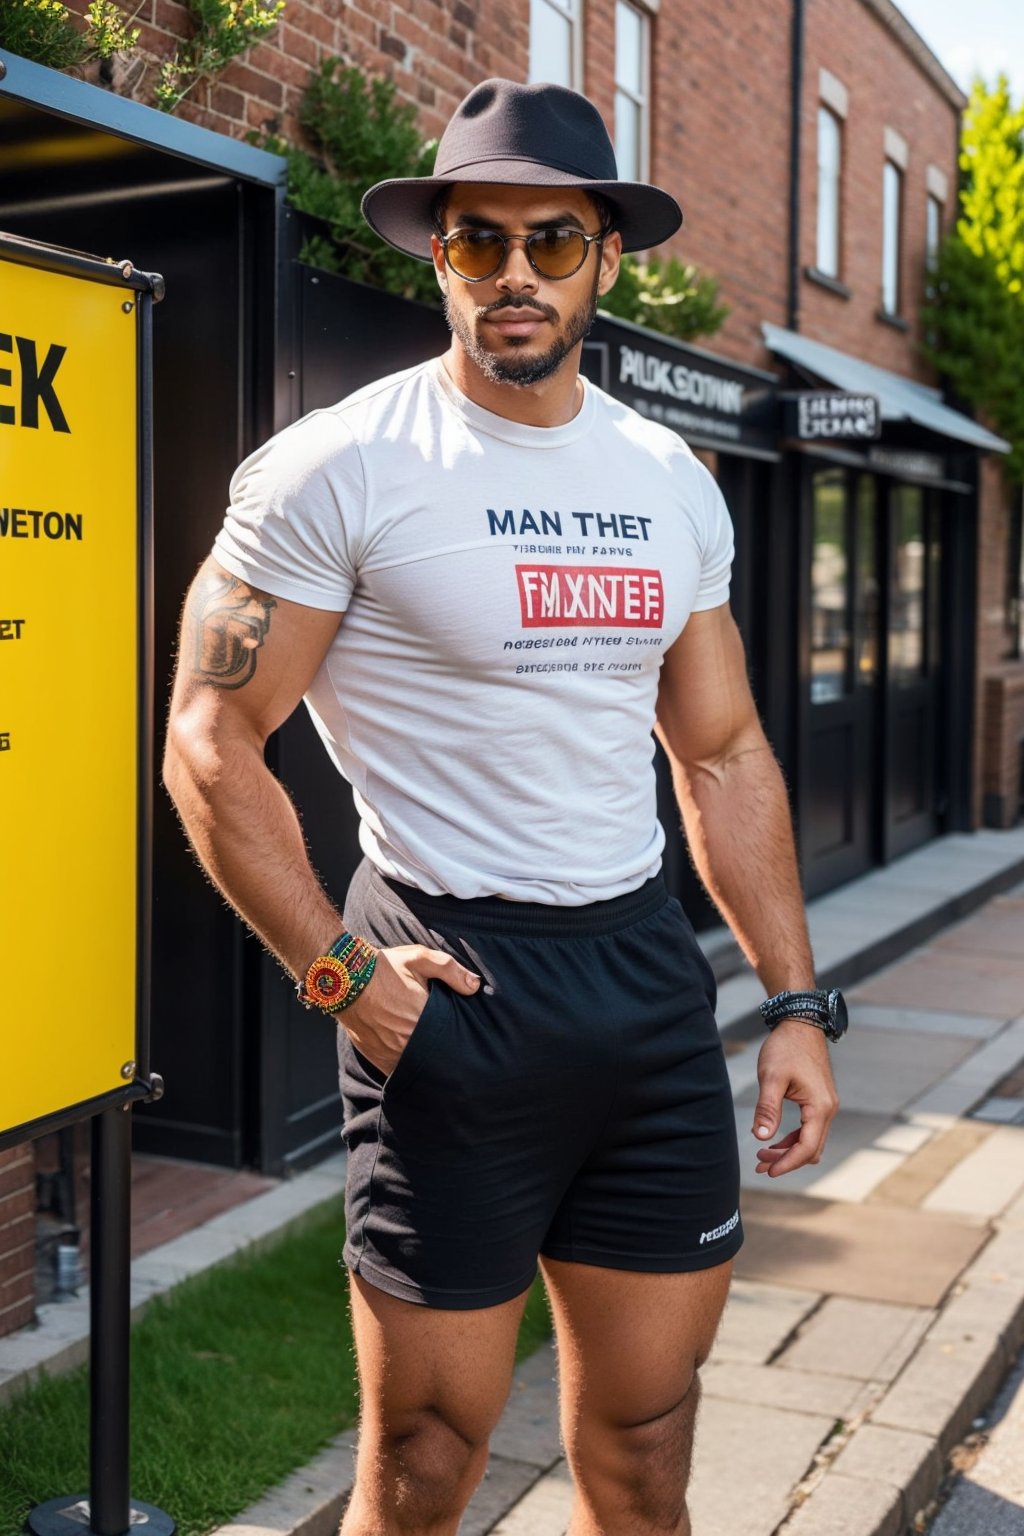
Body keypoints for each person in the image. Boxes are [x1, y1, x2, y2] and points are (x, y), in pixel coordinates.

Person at [164, 77, 841, 1536]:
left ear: (607, 256)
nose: (515, 272)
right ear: (439, 256)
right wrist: (350, 987)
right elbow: (211, 739)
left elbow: (720, 756)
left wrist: (796, 1001)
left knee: (649, 1449)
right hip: (448, 989)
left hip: (646, 997)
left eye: (551, 239)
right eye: (480, 241)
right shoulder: (338, 466)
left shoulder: (670, 478)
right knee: (422, 1463)